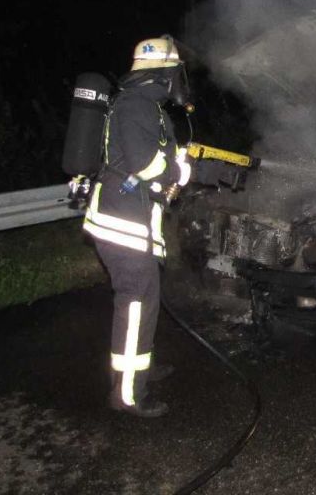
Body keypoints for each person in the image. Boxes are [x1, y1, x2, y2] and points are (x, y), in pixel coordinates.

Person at [83, 35, 192, 417]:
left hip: (134, 219)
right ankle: (128, 394)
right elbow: (145, 165)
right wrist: (176, 170)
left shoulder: (147, 106)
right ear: (162, 73)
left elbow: (160, 155)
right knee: (135, 303)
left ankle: (139, 364)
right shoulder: (135, 106)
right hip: (122, 223)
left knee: (145, 300)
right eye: (174, 72)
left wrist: (180, 163)